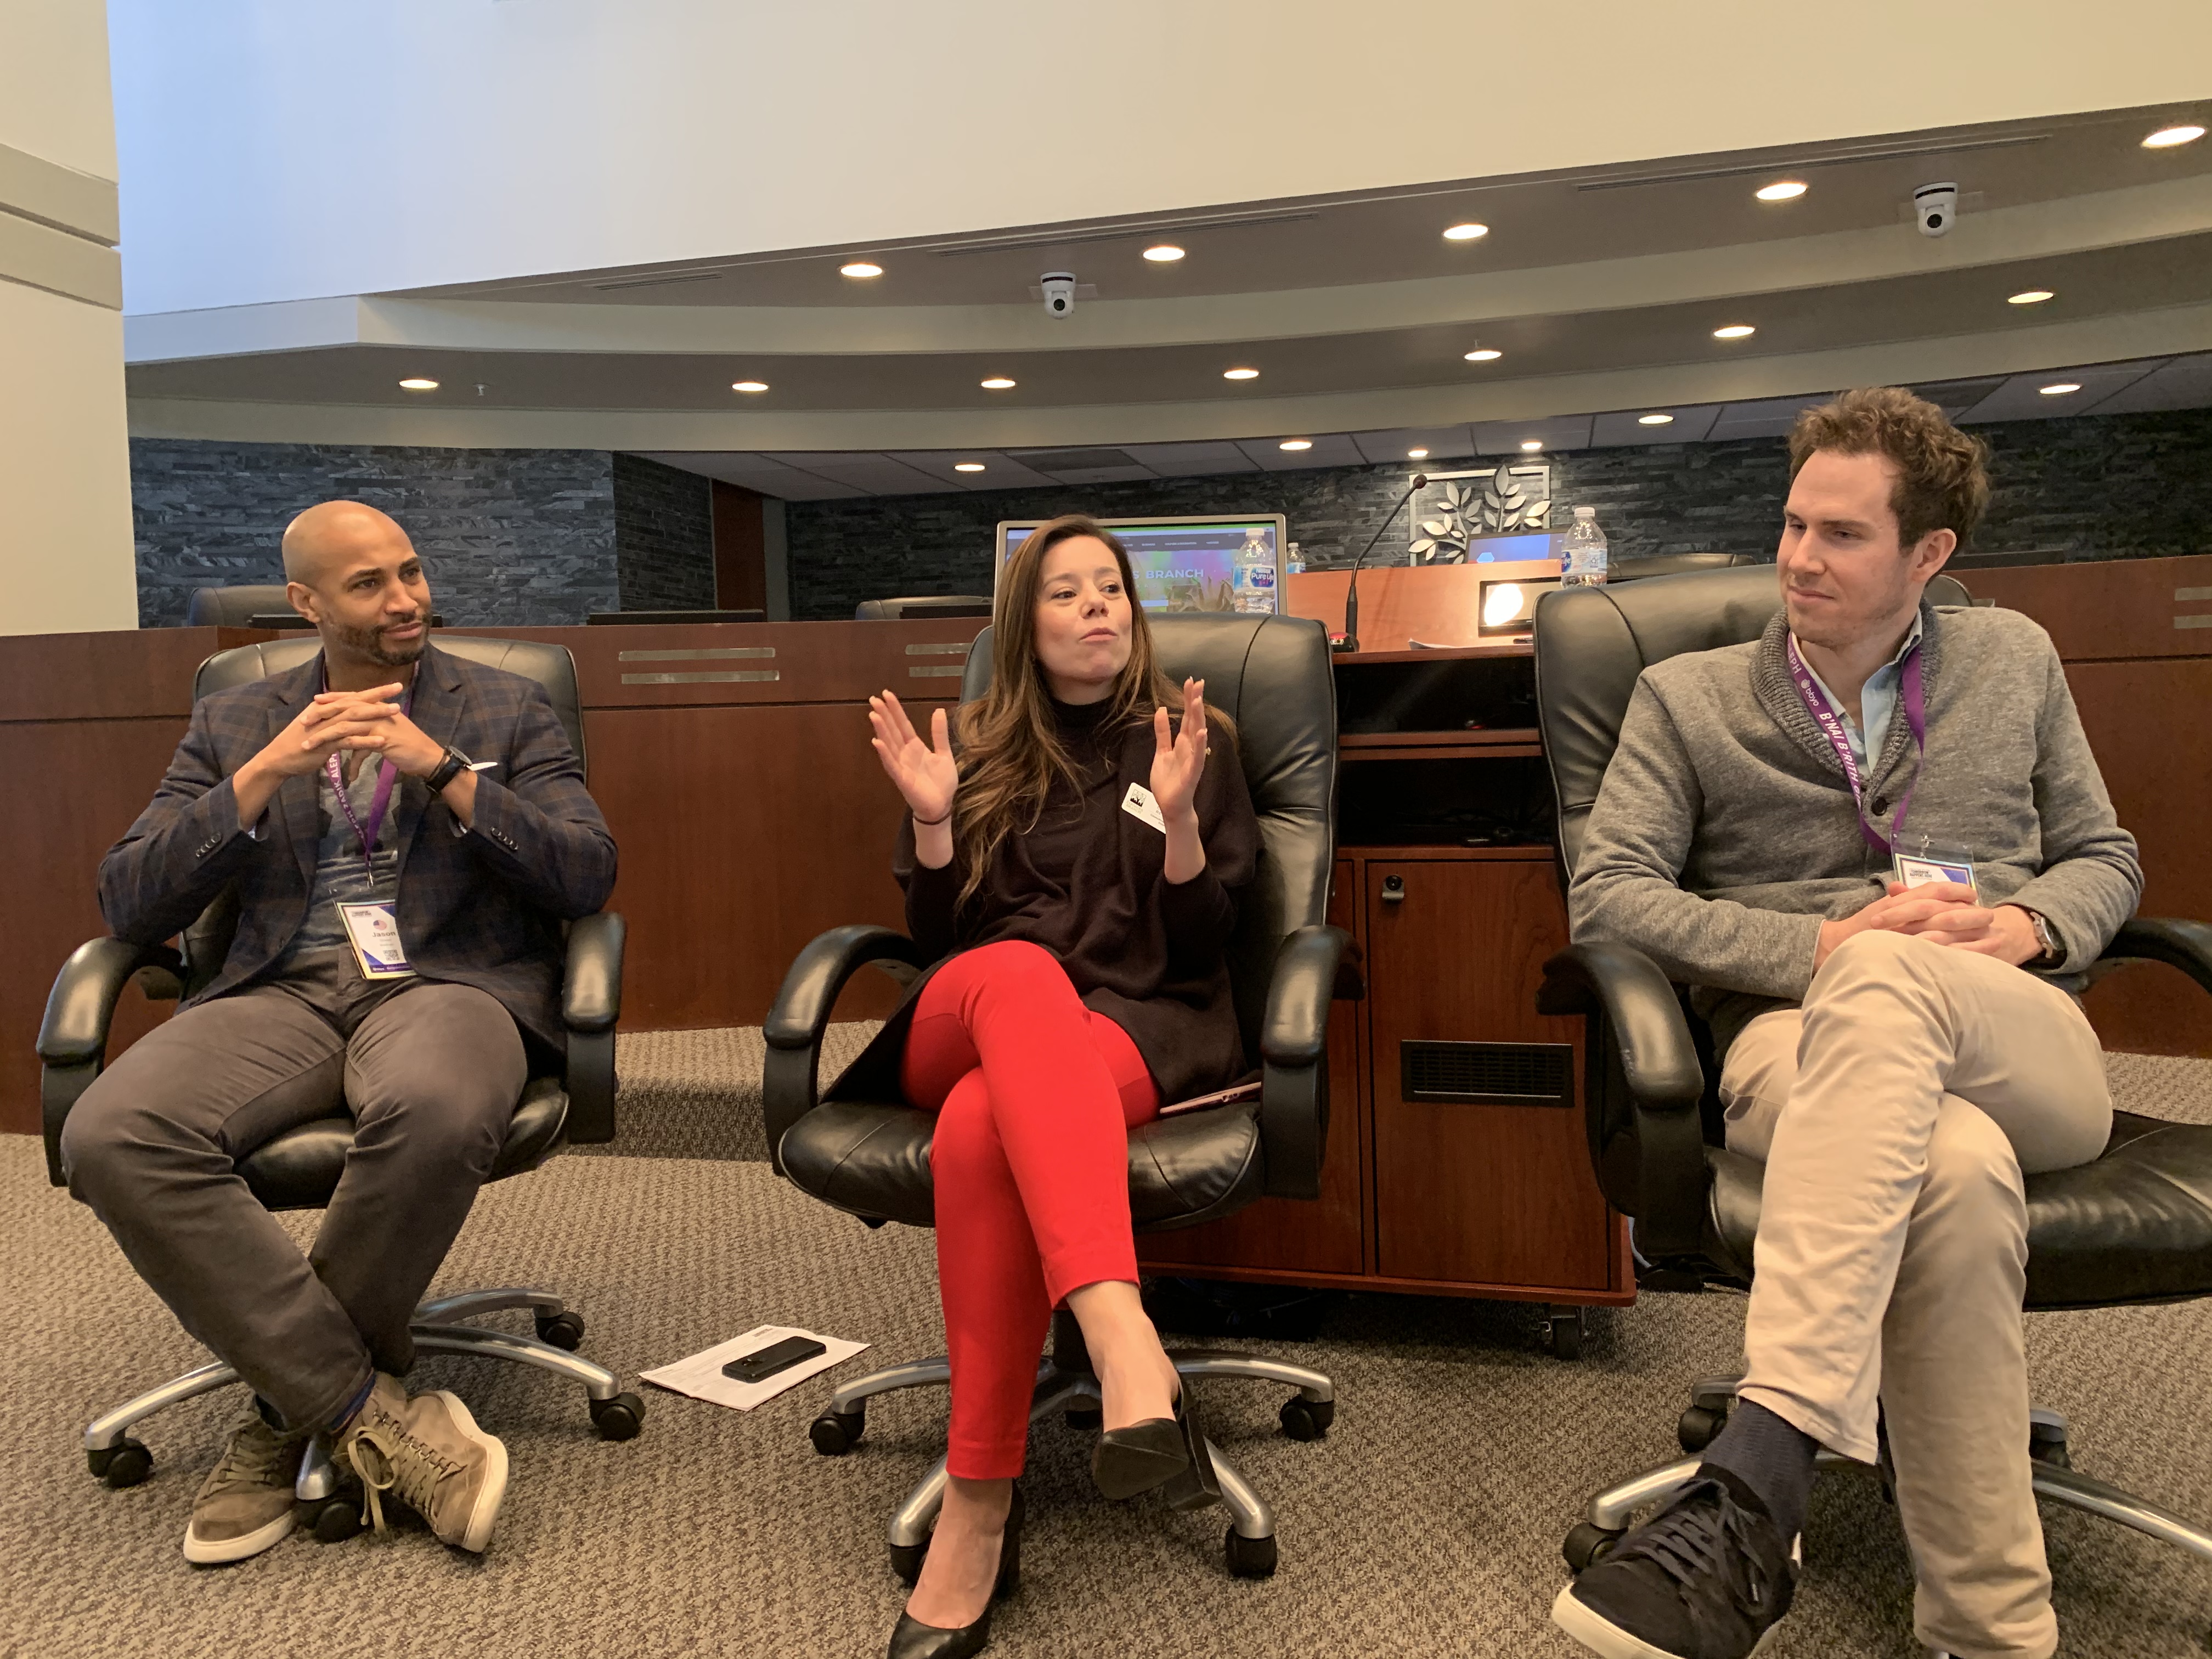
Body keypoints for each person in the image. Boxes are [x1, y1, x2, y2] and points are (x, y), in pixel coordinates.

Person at [1553, 388, 2140, 1659]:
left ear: (1930, 556)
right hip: (1791, 1031)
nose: (1798, 558)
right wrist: (1822, 945)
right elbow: (1610, 892)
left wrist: (2029, 929)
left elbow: (2105, 854)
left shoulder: (2015, 659)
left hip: (2012, 1025)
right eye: (1791, 524)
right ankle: (1991, 1631)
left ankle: (1763, 1468)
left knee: (1901, 991)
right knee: (1954, 1168)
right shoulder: (1687, 696)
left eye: (1842, 535)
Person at [61, 501, 618, 1564]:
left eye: (410, 571)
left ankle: (281, 1421)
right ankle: (365, 1411)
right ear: (306, 604)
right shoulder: (237, 721)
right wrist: (258, 780)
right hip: (281, 990)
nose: (405, 598)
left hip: (445, 983)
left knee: (440, 1105)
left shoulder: (505, 709)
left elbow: (587, 872)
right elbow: (128, 902)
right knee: (111, 1129)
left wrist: (444, 771)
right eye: (369, 584)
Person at [852, 514, 1260, 1659]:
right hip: (972, 1012)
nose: (1097, 607)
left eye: (1112, 589)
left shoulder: (1192, 739)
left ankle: (978, 1507)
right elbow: (936, 940)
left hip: (1137, 1025)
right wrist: (934, 824)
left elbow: (1201, 947)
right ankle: (1120, 1328)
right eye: (1067, 591)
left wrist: (1179, 819)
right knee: (1018, 976)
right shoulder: (975, 746)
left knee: (989, 1125)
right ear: (1023, 624)